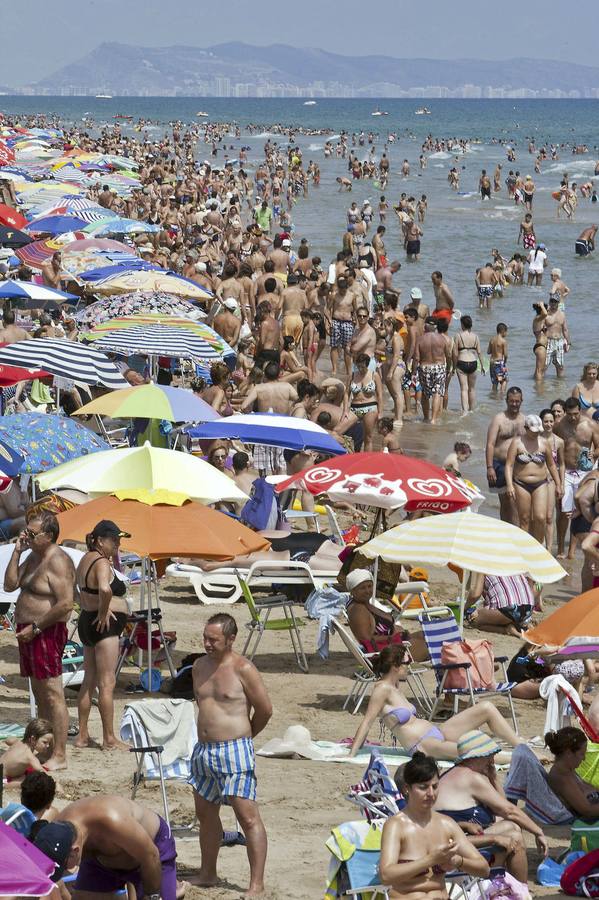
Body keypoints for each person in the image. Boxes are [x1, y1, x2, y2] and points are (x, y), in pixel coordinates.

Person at [189, 613, 272, 896]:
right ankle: (208, 873)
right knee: (206, 815)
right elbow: (202, 705)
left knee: (247, 817)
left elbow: (265, 710)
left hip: (234, 750)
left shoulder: (243, 668)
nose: (207, 643)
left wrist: (245, 739)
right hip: (203, 751)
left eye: (213, 639)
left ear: (231, 639)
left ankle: (256, 884)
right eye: (205, 638)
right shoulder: (198, 666)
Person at [349, 645, 523, 760]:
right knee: (474, 753)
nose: (410, 666)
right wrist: (352, 754)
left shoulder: (395, 686)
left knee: (486, 707)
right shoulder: (382, 689)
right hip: (423, 746)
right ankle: (521, 758)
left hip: (437, 732)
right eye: (407, 663)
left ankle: (521, 747)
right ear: (395, 666)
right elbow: (367, 722)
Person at [4, 512, 75, 771]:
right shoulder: (34, 556)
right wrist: (16, 552)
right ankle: (46, 746)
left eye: (32, 534)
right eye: (27, 531)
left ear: (49, 535)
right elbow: (10, 585)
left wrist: (35, 627)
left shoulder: (58, 561)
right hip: (29, 631)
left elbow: (67, 604)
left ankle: (60, 754)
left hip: (44, 630)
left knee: (53, 693)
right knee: (38, 691)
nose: (27, 536)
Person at [434, 730, 547, 882]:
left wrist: (493, 778)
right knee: (515, 837)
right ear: (479, 756)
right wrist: (538, 832)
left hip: (459, 839)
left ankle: (510, 889)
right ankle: (521, 891)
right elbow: (509, 810)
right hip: (454, 849)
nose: (492, 760)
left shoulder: (458, 773)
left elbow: (503, 808)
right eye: (490, 755)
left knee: (512, 826)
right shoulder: (471, 778)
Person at [380, 753, 489, 899]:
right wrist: (430, 860)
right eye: (423, 787)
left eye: (435, 786)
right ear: (407, 788)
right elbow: (386, 875)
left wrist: (457, 861)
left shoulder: (446, 824)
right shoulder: (396, 826)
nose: (431, 793)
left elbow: (484, 868)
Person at [32, 794, 178, 898]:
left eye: (64, 867)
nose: (65, 871)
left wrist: (152, 895)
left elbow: (150, 855)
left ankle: (174, 890)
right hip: (101, 860)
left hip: (152, 853)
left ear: (75, 851)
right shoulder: (56, 831)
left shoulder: (112, 820)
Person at [75, 520, 131, 752]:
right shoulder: (101, 563)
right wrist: (104, 608)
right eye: (114, 540)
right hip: (103, 626)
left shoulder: (85, 559)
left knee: (89, 680)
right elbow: (105, 589)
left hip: (87, 622)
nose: (118, 544)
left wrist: (96, 608)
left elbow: (79, 591)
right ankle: (109, 739)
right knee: (107, 683)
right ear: (99, 541)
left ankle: (82, 735)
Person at [504, 414, 562, 543]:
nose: (536, 434)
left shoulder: (544, 443)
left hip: (540, 484)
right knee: (524, 519)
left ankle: (538, 546)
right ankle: (524, 548)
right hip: (521, 484)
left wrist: (558, 484)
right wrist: (509, 485)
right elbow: (509, 465)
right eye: (534, 431)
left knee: (540, 517)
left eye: (538, 431)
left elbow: (551, 465)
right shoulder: (517, 443)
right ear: (526, 428)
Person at [345, 569, 409, 655]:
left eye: (369, 586)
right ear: (353, 591)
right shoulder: (358, 610)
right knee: (428, 640)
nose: (367, 591)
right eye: (362, 588)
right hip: (388, 652)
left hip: (394, 645)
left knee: (425, 636)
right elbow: (366, 640)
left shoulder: (365, 604)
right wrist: (392, 637)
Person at [485, 387, 525, 523]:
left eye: (517, 401)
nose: (514, 404)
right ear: (506, 401)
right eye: (512, 401)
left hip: (517, 464)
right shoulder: (499, 419)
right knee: (505, 502)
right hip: (499, 465)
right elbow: (490, 444)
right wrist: (489, 467)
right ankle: (505, 528)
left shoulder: (524, 420)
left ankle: (515, 530)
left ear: (521, 401)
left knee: (515, 501)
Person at [545, 727, 599, 819]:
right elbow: (587, 810)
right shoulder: (561, 777)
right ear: (569, 752)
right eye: (582, 754)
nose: (584, 759)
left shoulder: (568, 770)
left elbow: (590, 789)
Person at [465, 573, 537, 637]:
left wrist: (464, 607)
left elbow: (475, 595)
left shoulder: (482, 566)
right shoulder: (512, 561)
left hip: (509, 608)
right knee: (504, 614)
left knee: (474, 620)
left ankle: (506, 630)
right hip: (528, 608)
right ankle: (517, 624)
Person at [413, 317, 452, 426]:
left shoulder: (420, 339)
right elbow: (448, 355)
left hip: (424, 367)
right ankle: (433, 419)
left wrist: (413, 372)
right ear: (435, 327)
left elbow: (416, 358)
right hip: (439, 367)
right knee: (437, 393)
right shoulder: (442, 339)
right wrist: (448, 368)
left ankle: (426, 418)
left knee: (425, 395)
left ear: (425, 326)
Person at [540, 407, 566, 552]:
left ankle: (549, 549)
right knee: (538, 516)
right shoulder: (535, 438)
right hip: (536, 480)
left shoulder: (560, 442)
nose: (549, 424)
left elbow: (561, 465)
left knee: (549, 516)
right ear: (541, 422)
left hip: (550, 481)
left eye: (551, 421)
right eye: (546, 421)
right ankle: (540, 543)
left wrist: (560, 484)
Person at [0, 717, 53, 782]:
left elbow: (8, 740)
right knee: (27, 780)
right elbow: (43, 773)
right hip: (2, 780)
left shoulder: (18, 742)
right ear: (33, 739)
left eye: (49, 743)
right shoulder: (29, 757)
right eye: (45, 742)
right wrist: (56, 784)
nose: (48, 745)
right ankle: (7, 784)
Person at [349, 352, 383, 451]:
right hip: (354, 407)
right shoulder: (353, 375)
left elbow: (380, 395)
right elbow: (346, 394)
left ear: (367, 365)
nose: (360, 369)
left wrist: (380, 412)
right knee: (344, 433)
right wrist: (345, 411)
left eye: (362, 366)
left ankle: (367, 461)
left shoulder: (374, 375)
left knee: (368, 437)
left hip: (370, 407)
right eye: (358, 366)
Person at [452, 315, 484, 413]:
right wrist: (482, 366)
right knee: (472, 389)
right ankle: (472, 410)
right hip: (473, 363)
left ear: (462, 324)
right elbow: (479, 352)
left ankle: (465, 411)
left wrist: (453, 366)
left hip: (462, 362)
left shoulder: (458, 335)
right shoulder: (476, 336)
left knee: (464, 389)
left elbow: (455, 353)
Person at [487, 323, 509, 392]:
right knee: (504, 381)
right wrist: (504, 362)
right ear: (502, 331)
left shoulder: (492, 340)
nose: (506, 334)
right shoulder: (503, 341)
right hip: (499, 362)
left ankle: (494, 397)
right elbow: (505, 355)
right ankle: (501, 396)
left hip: (492, 362)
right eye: (506, 332)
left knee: (495, 382)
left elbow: (488, 352)